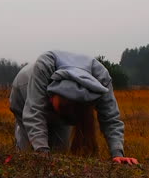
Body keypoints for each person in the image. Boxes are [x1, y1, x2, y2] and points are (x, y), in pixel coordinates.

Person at [9, 50, 138, 165]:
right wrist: (42, 151)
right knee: (26, 155)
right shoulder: (45, 66)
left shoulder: (101, 78)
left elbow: (111, 119)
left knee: (59, 154)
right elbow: (34, 112)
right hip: (23, 93)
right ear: (52, 93)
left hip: (68, 107)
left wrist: (118, 154)